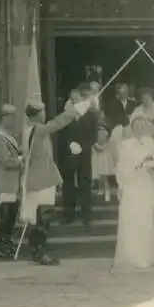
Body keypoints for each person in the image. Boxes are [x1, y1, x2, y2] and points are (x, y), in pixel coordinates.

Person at [21, 97, 91, 265]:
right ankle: (40, 252)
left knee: (37, 217)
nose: (45, 114)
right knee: (43, 217)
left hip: (36, 178)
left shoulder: (28, 130)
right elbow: (59, 122)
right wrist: (79, 108)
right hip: (41, 180)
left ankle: (35, 250)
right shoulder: (37, 130)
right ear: (37, 115)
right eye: (43, 112)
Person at [113, 113, 154, 269]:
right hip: (133, 184)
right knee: (134, 218)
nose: (140, 129)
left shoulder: (151, 143)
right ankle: (134, 256)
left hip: (147, 184)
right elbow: (121, 168)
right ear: (132, 128)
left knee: (148, 218)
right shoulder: (125, 145)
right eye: (137, 126)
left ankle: (149, 254)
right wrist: (138, 165)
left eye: (143, 126)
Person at [59, 83, 100, 226]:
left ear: (83, 99)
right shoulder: (66, 115)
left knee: (85, 184)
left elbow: (93, 135)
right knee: (68, 184)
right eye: (72, 100)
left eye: (76, 99)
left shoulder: (92, 115)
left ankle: (86, 215)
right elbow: (61, 133)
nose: (74, 102)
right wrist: (69, 144)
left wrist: (82, 147)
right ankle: (68, 215)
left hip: (84, 154)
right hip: (69, 155)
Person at [0, 104, 24, 259]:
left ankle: (8, 242)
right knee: (5, 216)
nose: (13, 120)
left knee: (11, 215)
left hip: (13, 183)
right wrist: (21, 160)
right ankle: (2, 244)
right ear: (4, 118)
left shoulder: (9, 136)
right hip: (5, 182)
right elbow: (5, 161)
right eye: (11, 117)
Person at [91, 125, 114, 202]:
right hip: (98, 159)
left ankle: (107, 194)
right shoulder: (95, 142)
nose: (101, 136)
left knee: (104, 177)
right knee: (99, 177)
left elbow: (101, 148)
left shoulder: (106, 142)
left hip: (103, 159)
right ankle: (101, 190)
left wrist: (95, 144)